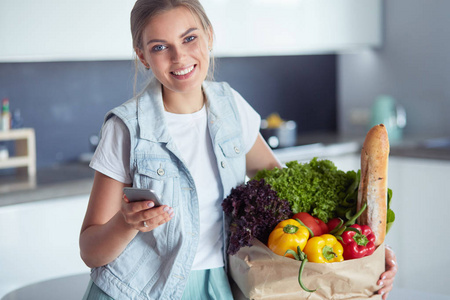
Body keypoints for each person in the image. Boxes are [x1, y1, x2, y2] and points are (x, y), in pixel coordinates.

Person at [79, 0, 397, 299]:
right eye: (160, 47)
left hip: (220, 286)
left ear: (209, 37)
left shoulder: (231, 108)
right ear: (143, 56)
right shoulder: (126, 127)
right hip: (137, 291)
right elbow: (90, 251)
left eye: (189, 39)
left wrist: (363, 254)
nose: (179, 57)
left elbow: (285, 200)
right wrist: (127, 223)